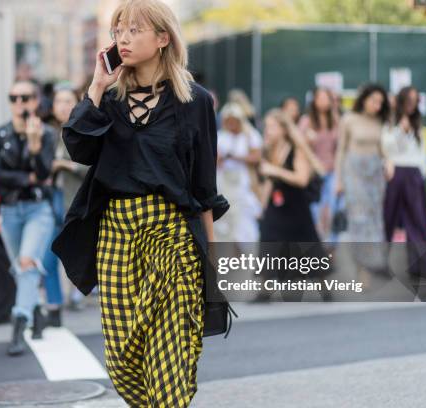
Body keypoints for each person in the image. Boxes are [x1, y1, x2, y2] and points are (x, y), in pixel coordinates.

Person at [50, 0, 230, 405]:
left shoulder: (195, 101)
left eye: (134, 30)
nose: (123, 39)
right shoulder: (108, 98)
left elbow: (204, 187)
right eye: (118, 31)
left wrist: (212, 262)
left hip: (172, 236)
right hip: (117, 234)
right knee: (121, 360)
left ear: (163, 38)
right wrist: (96, 86)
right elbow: (78, 147)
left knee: (171, 361)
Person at [0, 80, 56, 356]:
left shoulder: (46, 134)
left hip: (38, 209)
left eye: (25, 97)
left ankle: (19, 323)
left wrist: (34, 144)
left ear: (36, 101)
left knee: (27, 262)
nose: (19, 103)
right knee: (22, 269)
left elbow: (42, 175)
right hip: (8, 210)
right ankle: (38, 312)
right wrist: (25, 177)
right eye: (13, 97)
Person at [254, 109, 330, 302]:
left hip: (296, 206)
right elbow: (270, 180)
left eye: (272, 126)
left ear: (284, 129)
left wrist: (275, 170)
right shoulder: (270, 149)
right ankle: (265, 290)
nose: (268, 131)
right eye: (267, 127)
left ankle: (325, 289)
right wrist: (262, 205)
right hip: (276, 205)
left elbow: (302, 179)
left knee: (307, 245)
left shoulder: (296, 150)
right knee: (268, 240)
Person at [335, 83, 392, 285]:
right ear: (364, 99)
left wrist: (389, 162)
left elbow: (382, 147)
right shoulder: (349, 119)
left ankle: (374, 264)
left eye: (380, 102)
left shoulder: (380, 121)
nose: (377, 105)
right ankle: (361, 270)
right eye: (374, 100)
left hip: (375, 175)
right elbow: (341, 150)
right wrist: (338, 180)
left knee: (375, 221)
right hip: (354, 174)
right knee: (358, 221)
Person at [42, 84, 89, 320]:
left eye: (68, 100)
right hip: (51, 202)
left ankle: (78, 293)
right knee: (48, 255)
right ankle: (54, 303)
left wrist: (65, 165)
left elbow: (95, 168)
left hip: (77, 203)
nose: (63, 106)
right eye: (59, 101)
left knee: (77, 252)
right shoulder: (46, 135)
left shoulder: (84, 132)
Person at [382, 86, 426, 282]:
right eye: (409, 99)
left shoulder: (417, 123)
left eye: (415, 99)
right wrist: (400, 131)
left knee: (419, 221)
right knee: (388, 218)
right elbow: (387, 147)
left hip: (414, 174)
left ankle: (421, 266)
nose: (412, 103)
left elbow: (421, 152)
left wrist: (421, 173)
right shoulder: (390, 121)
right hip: (396, 171)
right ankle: (379, 264)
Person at [215, 102, 262, 244]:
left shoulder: (250, 135)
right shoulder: (220, 136)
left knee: (244, 220)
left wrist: (235, 157)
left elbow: (257, 157)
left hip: (243, 183)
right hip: (223, 182)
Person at [298, 87, 340, 242]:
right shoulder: (306, 121)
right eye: (320, 98)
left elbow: (340, 148)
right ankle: (315, 245)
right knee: (314, 211)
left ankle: (329, 247)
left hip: (331, 172)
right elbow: (298, 144)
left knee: (331, 209)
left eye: (326, 98)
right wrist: (307, 140)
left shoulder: (335, 120)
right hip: (313, 174)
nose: (323, 101)